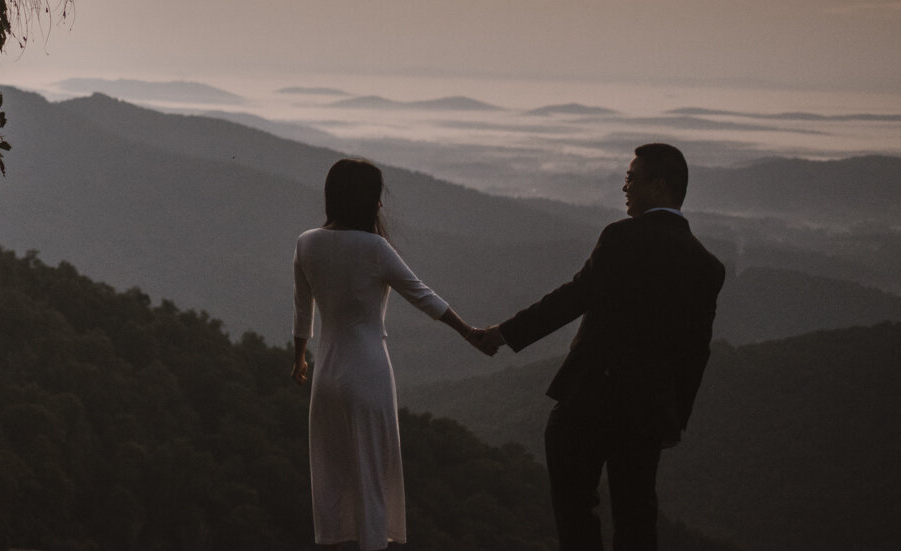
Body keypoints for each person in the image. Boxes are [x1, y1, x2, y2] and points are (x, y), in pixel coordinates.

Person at [472, 143, 726, 551]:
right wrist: (675, 417)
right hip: (649, 413)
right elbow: (697, 351)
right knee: (637, 517)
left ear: (658, 186)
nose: (624, 187)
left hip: (589, 399)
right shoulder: (707, 265)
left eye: (631, 179)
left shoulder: (622, 237)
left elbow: (575, 297)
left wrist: (503, 334)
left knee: (575, 512)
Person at [292, 158, 489, 551]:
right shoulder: (374, 247)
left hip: (325, 375)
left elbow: (302, 308)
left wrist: (299, 357)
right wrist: (469, 332)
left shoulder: (307, 241)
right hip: (367, 372)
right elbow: (422, 295)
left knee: (331, 472)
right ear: (367, 201)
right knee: (372, 476)